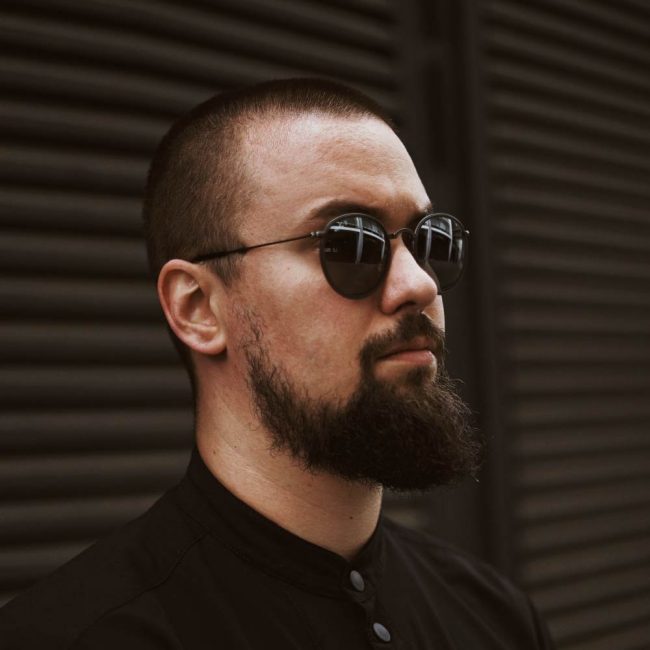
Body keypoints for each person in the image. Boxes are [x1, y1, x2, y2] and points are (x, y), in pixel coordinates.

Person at [0, 77, 554, 649]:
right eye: (350, 242)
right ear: (198, 308)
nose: (419, 284)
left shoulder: (498, 618)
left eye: (427, 239)